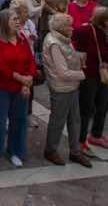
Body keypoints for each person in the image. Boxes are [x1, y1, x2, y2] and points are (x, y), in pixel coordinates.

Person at [0, 7, 35, 168]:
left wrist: (29, 80)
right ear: (6, 22)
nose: (18, 22)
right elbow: (0, 65)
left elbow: (30, 61)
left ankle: (15, 151)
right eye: (14, 19)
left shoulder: (23, 39)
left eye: (18, 19)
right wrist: (23, 80)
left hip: (21, 87)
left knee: (19, 120)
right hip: (0, 85)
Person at [42, 12, 89, 167]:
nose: (72, 28)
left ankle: (75, 151)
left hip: (72, 85)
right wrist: (82, 74)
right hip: (61, 87)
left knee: (75, 119)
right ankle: (51, 150)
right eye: (69, 25)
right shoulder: (54, 43)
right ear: (61, 28)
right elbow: (62, 72)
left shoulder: (63, 39)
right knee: (58, 120)